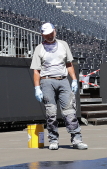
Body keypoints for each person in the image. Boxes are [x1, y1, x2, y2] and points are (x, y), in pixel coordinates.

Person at [30, 22, 88, 150]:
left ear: (55, 31)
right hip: (46, 81)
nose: (49, 36)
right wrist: (37, 87)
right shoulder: (39, 49)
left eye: (51, 33)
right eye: (46, 35)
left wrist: (74, 79)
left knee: (70, 111)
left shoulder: (63, 45)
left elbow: (69, 64)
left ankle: (76, 139)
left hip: (63, 80)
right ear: (42, 35)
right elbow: (36, 70)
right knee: (51, 112)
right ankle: (53, 140)